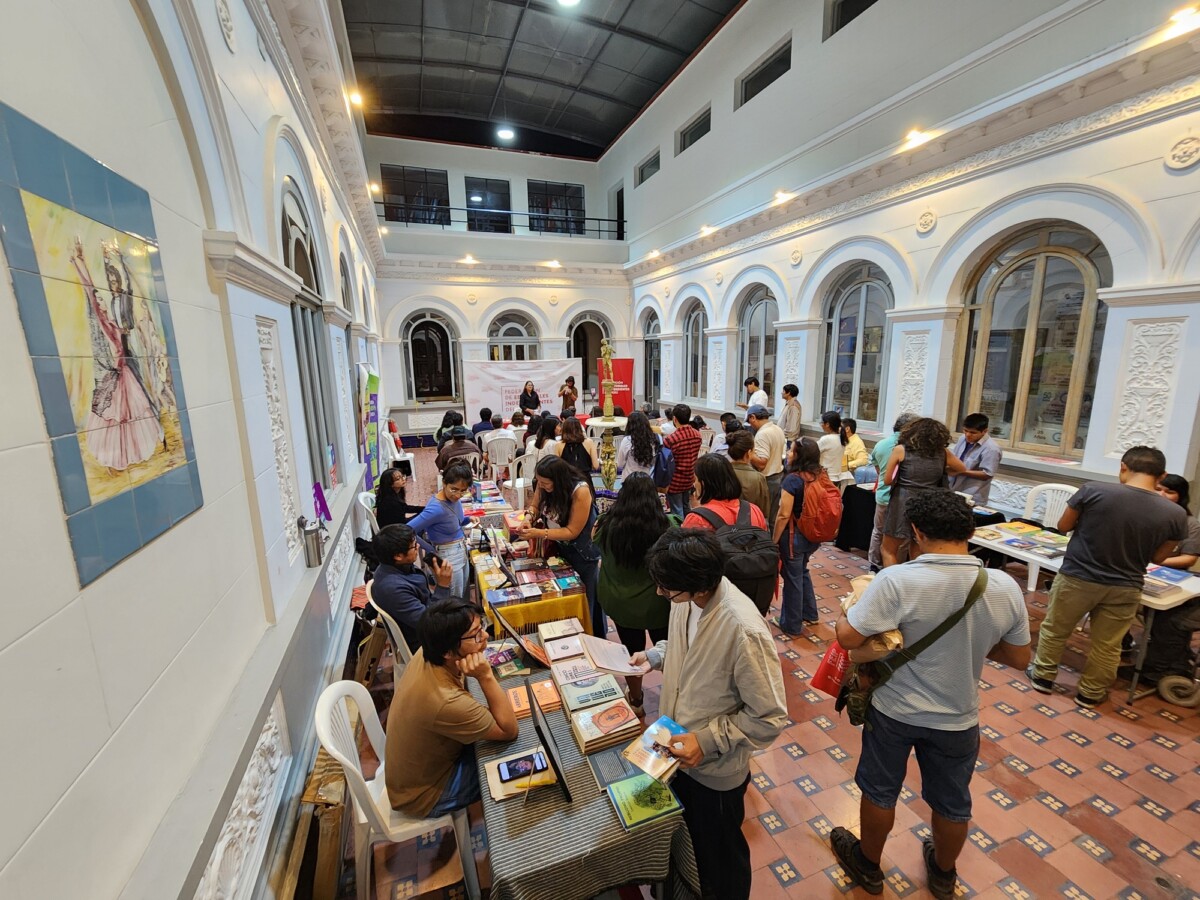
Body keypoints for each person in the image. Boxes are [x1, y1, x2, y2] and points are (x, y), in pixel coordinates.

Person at [831, 490, 1030, 900]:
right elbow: (1018, 657)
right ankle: (942, 873)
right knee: (952, 801)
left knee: (879, 790)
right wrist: (970, 641)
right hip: (959, 716)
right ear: (970, 531)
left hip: (896, 711)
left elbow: (848, 637)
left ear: (917, 532)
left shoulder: (899, 580)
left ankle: (868, 865)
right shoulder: (1003, 586)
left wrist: (846, 613)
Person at [631, 530, 788, 900]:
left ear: (698, 586)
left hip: (715, 772)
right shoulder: (687, 599)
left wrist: (707, 740)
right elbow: (688, 645)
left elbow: (769, 716)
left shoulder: (743, 629)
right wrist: (654, 656)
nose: (660, 593)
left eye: (666, 588)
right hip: (676, 750)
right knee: (688, 845)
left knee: (720, 858)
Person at [1028, 446, 1188, 707]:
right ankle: (1090, 693)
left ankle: (1043, 677)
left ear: (1123, 467)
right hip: (1126, 585)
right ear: (1162, 475)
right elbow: (1159, 558)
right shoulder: (1176, 514)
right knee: (1108, 645)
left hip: (1078, 576)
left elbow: (1063, 526)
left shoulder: (1093, 490)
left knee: (1056, 629)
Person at [385, 598, 519, 817]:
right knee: (515, 760)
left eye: (482, 626)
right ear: (448, 652)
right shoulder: (446, 700)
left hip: (418, 770)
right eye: (476, 634)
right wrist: (485, 676)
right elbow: (509, 730)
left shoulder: (429, 650)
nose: (485, 636)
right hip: (425, 795)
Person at [593, 473, 679, 714]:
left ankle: (637, 701)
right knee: (669, 650)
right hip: (659, 604)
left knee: (632, 653)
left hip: (622, 604)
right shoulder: (669, 525)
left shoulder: (605, 525)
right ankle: (672, 698)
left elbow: (595, 544)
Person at [519, 456, 605, 637]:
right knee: (564, 596)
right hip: (559, 548)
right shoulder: (542, 484)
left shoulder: (580, 491)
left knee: (586, 598)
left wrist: (538, 533)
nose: (540, 486)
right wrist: (528, 518)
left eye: (545, 483)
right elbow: (535, 505)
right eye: (539, 482)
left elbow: (572, 531)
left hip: (582, 552)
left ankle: (592, 638)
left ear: (558, 480)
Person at [1135, 474, 1200, 684]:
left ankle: (1159, 669)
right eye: (1159, 489)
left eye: (1169, 492)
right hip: (1144, 573)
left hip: (1174, 578)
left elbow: (1189, 558)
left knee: (1168, 620)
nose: (1162, 495)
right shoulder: (1146, 516)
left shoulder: (1190, 524)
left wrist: (1156, 562)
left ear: (1181, 497)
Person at [880, 418, 967, 568]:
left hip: (902, 501)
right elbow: (961, 469)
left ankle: (893, 582)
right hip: (929, 503)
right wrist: (943, 471)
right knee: (919, 549)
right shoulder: (943, 452)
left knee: (888, 549)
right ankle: (917, 581)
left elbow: (888, 480)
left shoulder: (901, 450)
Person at [369, 525, 455, 651]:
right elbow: (430, 623)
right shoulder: (392, 589)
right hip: (426, 641)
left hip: (427, 620)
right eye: (414, 546)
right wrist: (442, 585)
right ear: (398, 556)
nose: (418, 547)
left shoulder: (390, 567)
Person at [772, 438, 824, 634]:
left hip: (794, 537)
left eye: (792, 451)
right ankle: (810, 614)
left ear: (799, 456)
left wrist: (774, 540)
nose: (788, 454)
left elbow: (784, 514)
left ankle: (791, 624)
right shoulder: (819, 475)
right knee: (801, 571)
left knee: (792, 578)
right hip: (814, 535)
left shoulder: (793, 480)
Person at [407, 461, 474, 598]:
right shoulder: (436, 508)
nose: (457, 495)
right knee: (454, 600)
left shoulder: (454, 499)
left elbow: (454, 521)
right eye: (454, 489)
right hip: (448, 556)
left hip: (461, 549)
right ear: (444, 483)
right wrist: (430, 548)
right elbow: (408, 529)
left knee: (463, 593)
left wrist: (468, 519)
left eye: (463, 491)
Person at [868, 412, 919, 571]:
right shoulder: (912, 448)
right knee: (902, 536)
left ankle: (874, 565)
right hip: (904, 499)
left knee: (878, 531)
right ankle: (897, 567)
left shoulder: (881, 444)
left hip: (883, 495)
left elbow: (878, 468)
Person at [682, 454, 768, 530]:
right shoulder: (754, 510)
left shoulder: (697, 519)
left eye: (695, 479)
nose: (694, 484)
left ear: (703, 483)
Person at [948, 413, 1002, 505]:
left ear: (984, 431)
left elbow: (987, 474)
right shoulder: (962, 438)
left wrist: (961, 471)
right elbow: (955, 457)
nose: (968, 435)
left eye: (973, 432)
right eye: (965, 431)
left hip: (973, 495)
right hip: (953, 490)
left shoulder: (991, 448)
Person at [746, 405, 786, 523]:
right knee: (774, 518)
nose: (750, 425)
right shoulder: (777, 429)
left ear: (753, 417)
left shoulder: (763, 434)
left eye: (749, 421)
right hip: (778, 476)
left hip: (767, 480)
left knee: (762, 518)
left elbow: (762, 463)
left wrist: (749, 453)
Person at [663, 404, 703, 518]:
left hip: (675, 481)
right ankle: (689, 528)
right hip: (690, 478)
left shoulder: (671, 440)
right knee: (686, 507)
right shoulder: (697, 435)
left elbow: (666, 463)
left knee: (677, 511)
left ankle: (680, 533)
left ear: (674, 419)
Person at [727, 430, 769, 521]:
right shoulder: (758, 478)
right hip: (748, 524)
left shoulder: (722, 471)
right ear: (749, 453)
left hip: (722, 523)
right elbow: (764, 511)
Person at [616, 410, 659, 478]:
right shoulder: (653, 440)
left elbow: (620, 464)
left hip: (629, 479)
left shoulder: (627, 440)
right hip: (646, 479)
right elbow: (653, 462)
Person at [842, 418, 875, 484]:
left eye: (839, 427)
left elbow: (863, 460)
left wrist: (845, 465)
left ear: (847, 429)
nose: (838, 430)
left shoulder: (857, 442)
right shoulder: (843, 440)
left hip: (846, 476)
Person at [818, 410, 847, 479]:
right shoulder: (841, 438)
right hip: (837, 476)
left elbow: (812, 452)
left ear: (827, 424)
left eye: (822, 422)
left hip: (826, 477)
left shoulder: (827, 439)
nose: (821, 425)